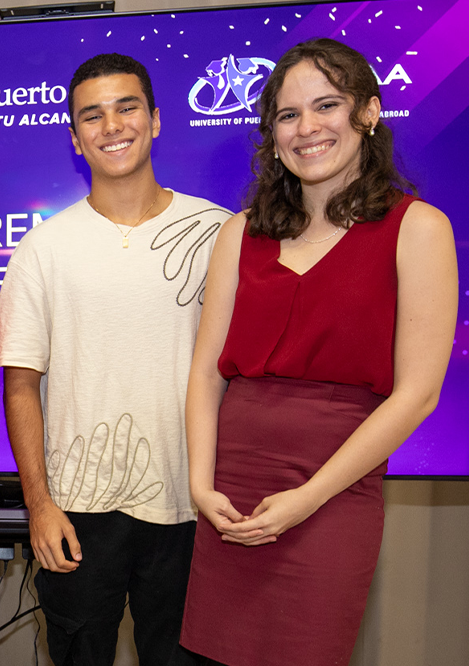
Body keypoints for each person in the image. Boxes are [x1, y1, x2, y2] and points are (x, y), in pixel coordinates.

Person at [179, 38, 457, 665]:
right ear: (271, 133)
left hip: (332, 493)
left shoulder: (419, 229)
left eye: (325, 106)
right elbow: (205, 372)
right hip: (230, 496)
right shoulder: (237, 233)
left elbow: (418, 394)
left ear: (368, 113)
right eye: (287, 114)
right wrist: (200, 483)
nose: (306, 128)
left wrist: (308, 497)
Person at [0, 53, 231, 666]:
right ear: (75, 139)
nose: (112, 126)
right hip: (76, 513)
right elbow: (20, 387)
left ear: (155, 119)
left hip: (192, 504)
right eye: (92, 116)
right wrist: (39, 508)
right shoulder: (42, 249)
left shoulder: (218, 233)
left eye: (127, 107)